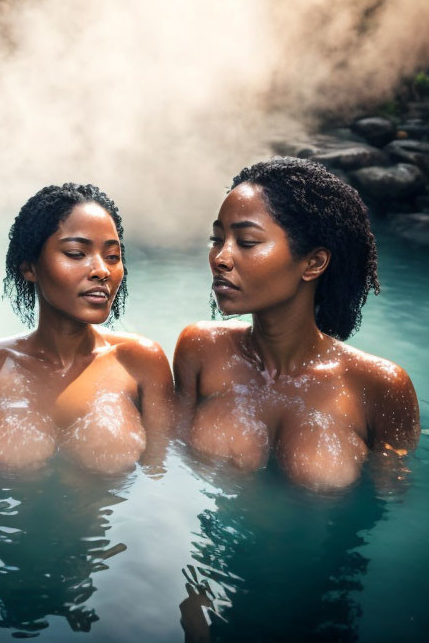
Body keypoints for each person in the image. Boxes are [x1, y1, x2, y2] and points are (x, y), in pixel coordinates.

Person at [174, 157, 419, 490]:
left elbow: (394, 508)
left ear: (313, 263)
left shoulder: (380, 386)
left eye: (246, 242)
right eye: (217, 239)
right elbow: (168, 473)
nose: (221, 257)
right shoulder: (201, 349)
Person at [0, 183, 176, 474]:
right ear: (30, 267)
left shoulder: (141, 362)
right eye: (76, 253)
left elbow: (163, 480)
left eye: (112, 256)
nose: (102, 270)